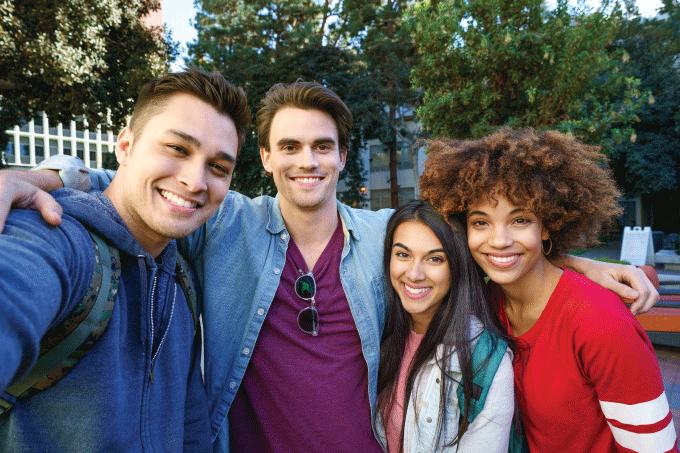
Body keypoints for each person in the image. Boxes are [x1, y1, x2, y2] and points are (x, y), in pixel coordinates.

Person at [0, 83, 660, 452]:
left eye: (322, 146)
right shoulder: (224, 221)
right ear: (264, 155)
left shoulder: (381, 236)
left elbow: (473, 244)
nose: (306, 161)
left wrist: (574, 263)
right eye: (289, 146)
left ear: (344, 156)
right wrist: (31, 175)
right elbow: (144, 191)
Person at [0, 68, 251, 452]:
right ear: (125, 147)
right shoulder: (58, 239)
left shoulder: (182, 280)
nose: (196, 181)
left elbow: (191, 428)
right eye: (177, 149)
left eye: (218, 167)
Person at [419, 128, 678, 453]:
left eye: (520, 220)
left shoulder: (600, 323)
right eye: (481, 222)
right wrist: (581, 263)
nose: (499, 240)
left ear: (548, 224)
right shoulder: (486, 300)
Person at [376, 200, 514, 452]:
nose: (414, 274)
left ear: (457, 267)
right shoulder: (377, 333)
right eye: (403, 255)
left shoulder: (484, 360)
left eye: (435, 259)